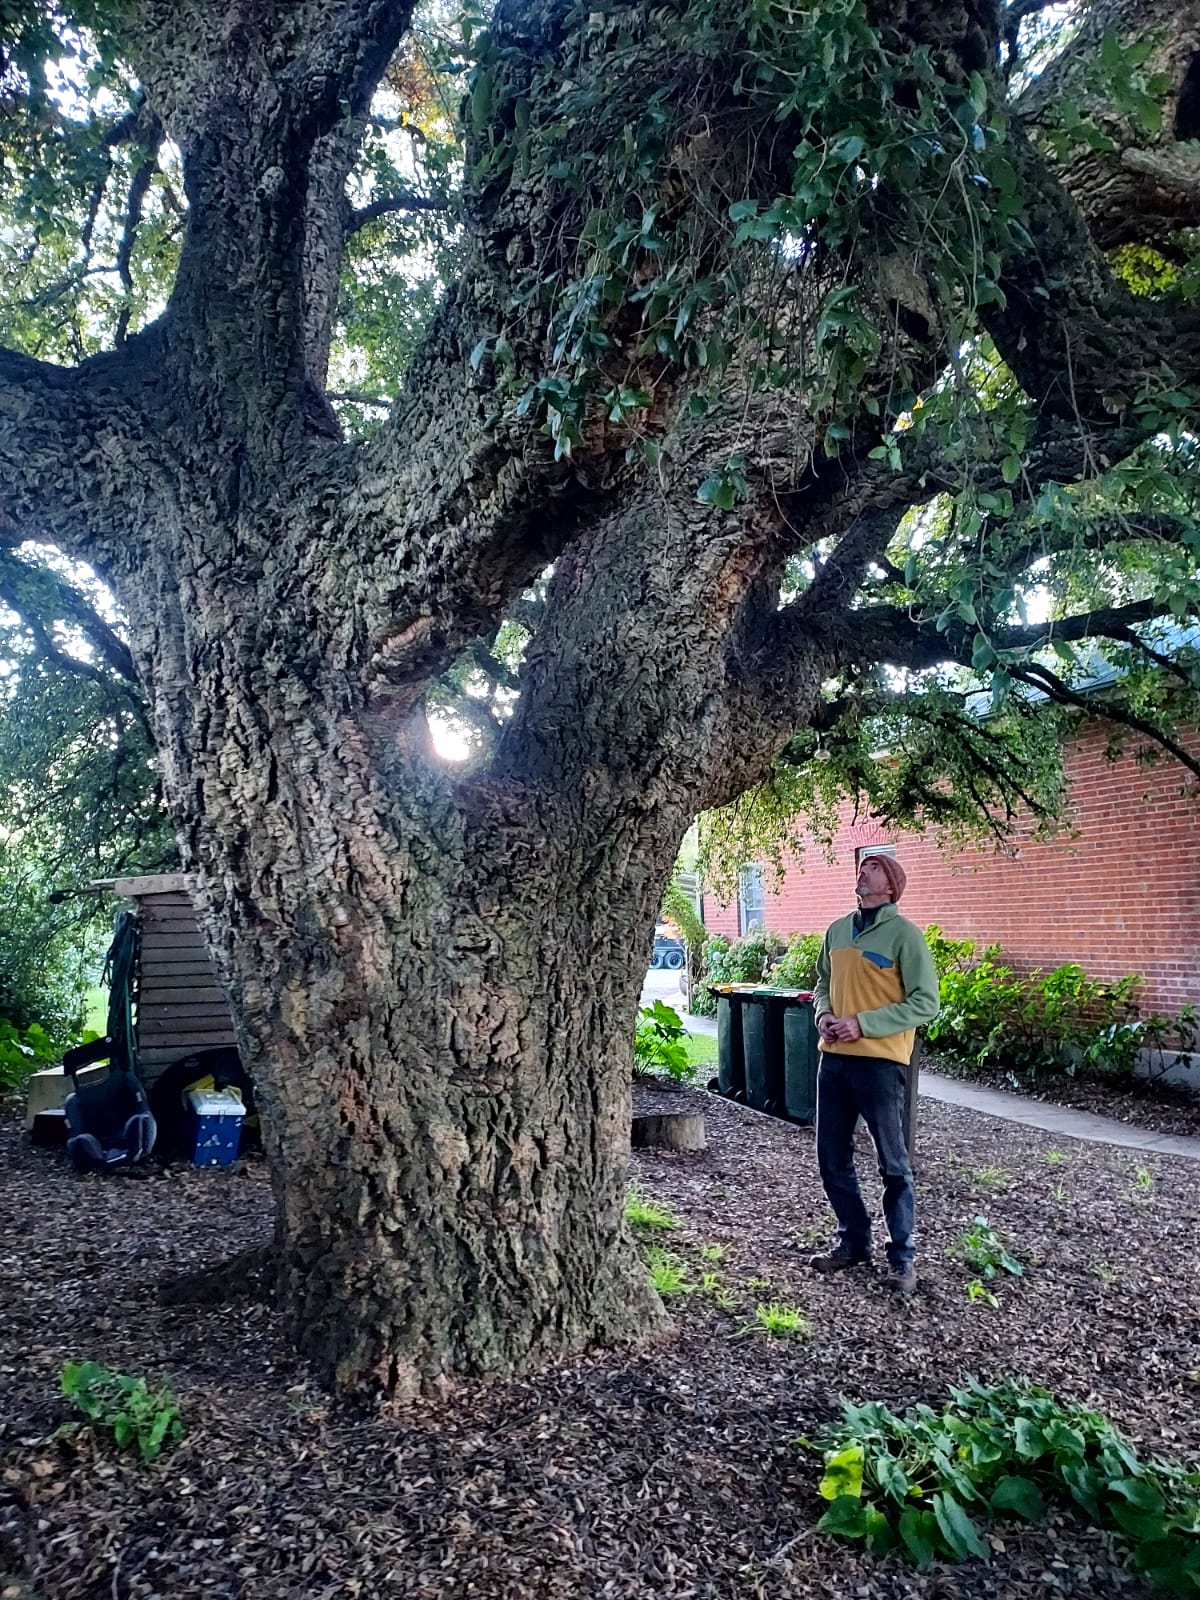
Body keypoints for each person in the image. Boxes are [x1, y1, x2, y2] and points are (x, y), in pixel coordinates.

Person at [809, 853, 940, 1295]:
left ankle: (902, 1258)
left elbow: (926, 1002)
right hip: (834, 1060)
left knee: (893, 1165)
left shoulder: (905, 935)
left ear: (891, 886)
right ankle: (854, 1243)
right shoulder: (837, 931)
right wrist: (824, 1014)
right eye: (862, 866)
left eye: (875, 867)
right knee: (831, 1158)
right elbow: (823, 983)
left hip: (881, 1064)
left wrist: (864, 1024)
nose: (863, 871)